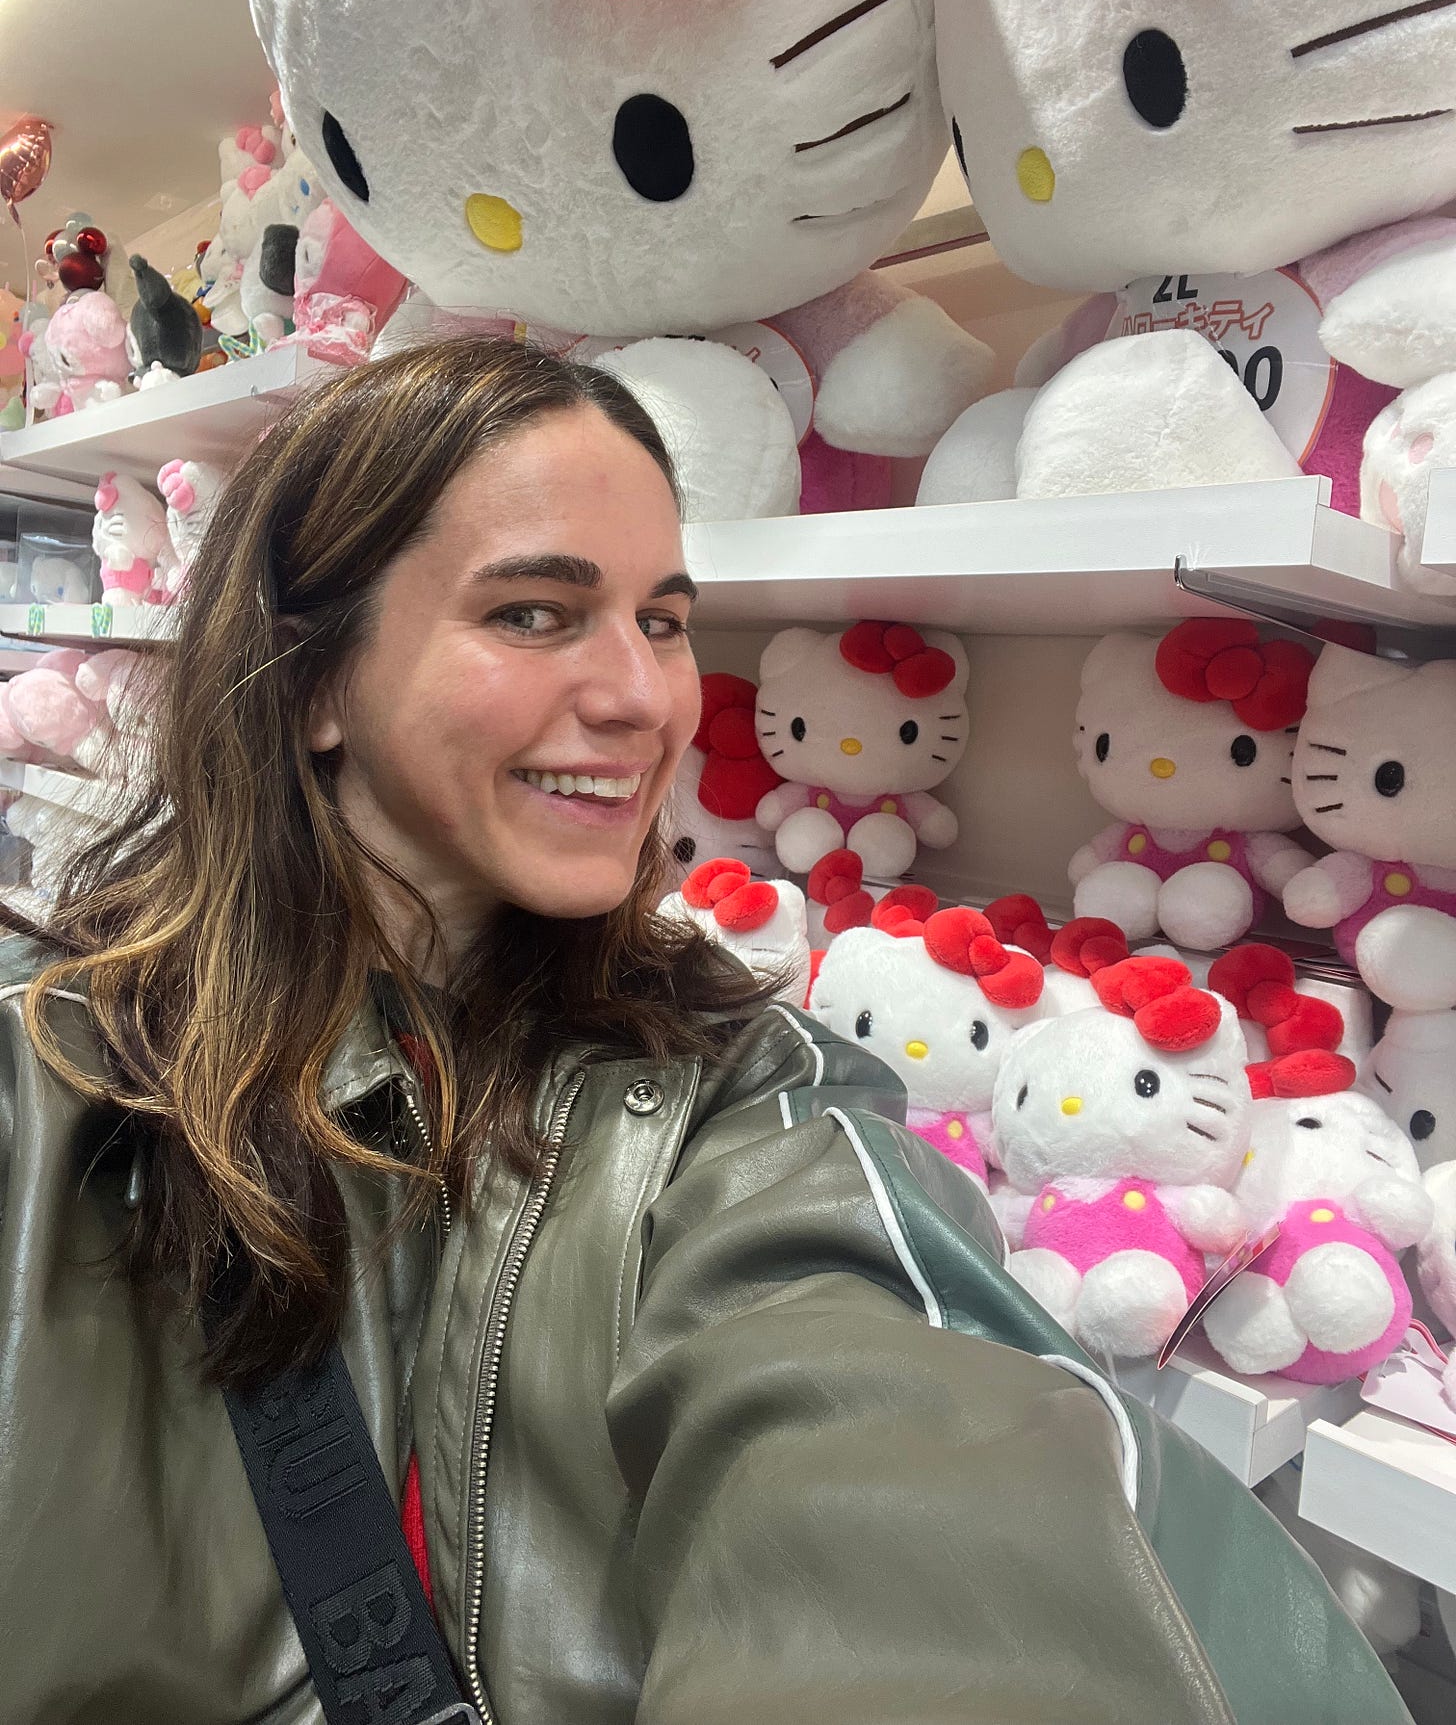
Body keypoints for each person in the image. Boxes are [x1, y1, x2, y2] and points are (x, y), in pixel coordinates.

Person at [0, 339, 1408, 1724]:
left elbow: (891, 1443)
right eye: (535, 612)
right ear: (315, 681)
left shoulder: (739, 1094)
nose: (647, 697)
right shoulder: (45, 1091)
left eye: (663, 619)